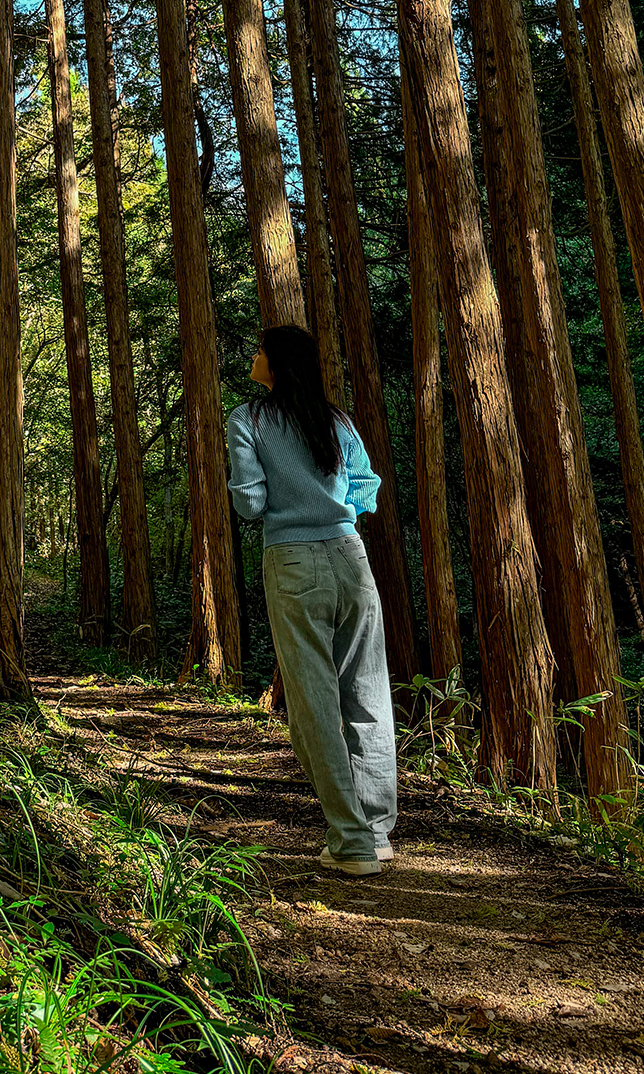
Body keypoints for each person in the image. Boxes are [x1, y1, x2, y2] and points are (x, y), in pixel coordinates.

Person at [226, 324, 397, 877]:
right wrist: (334, 505)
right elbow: (366, 485)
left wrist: (280, 498)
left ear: (274, 364)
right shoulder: (337, 419)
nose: (253, 357)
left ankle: (350, 842)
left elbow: (250, 504)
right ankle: (375, 830)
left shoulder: (248, 419)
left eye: (258, 349)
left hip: (293, 560)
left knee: (313, 704)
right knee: (367, 692)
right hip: (351, 556)